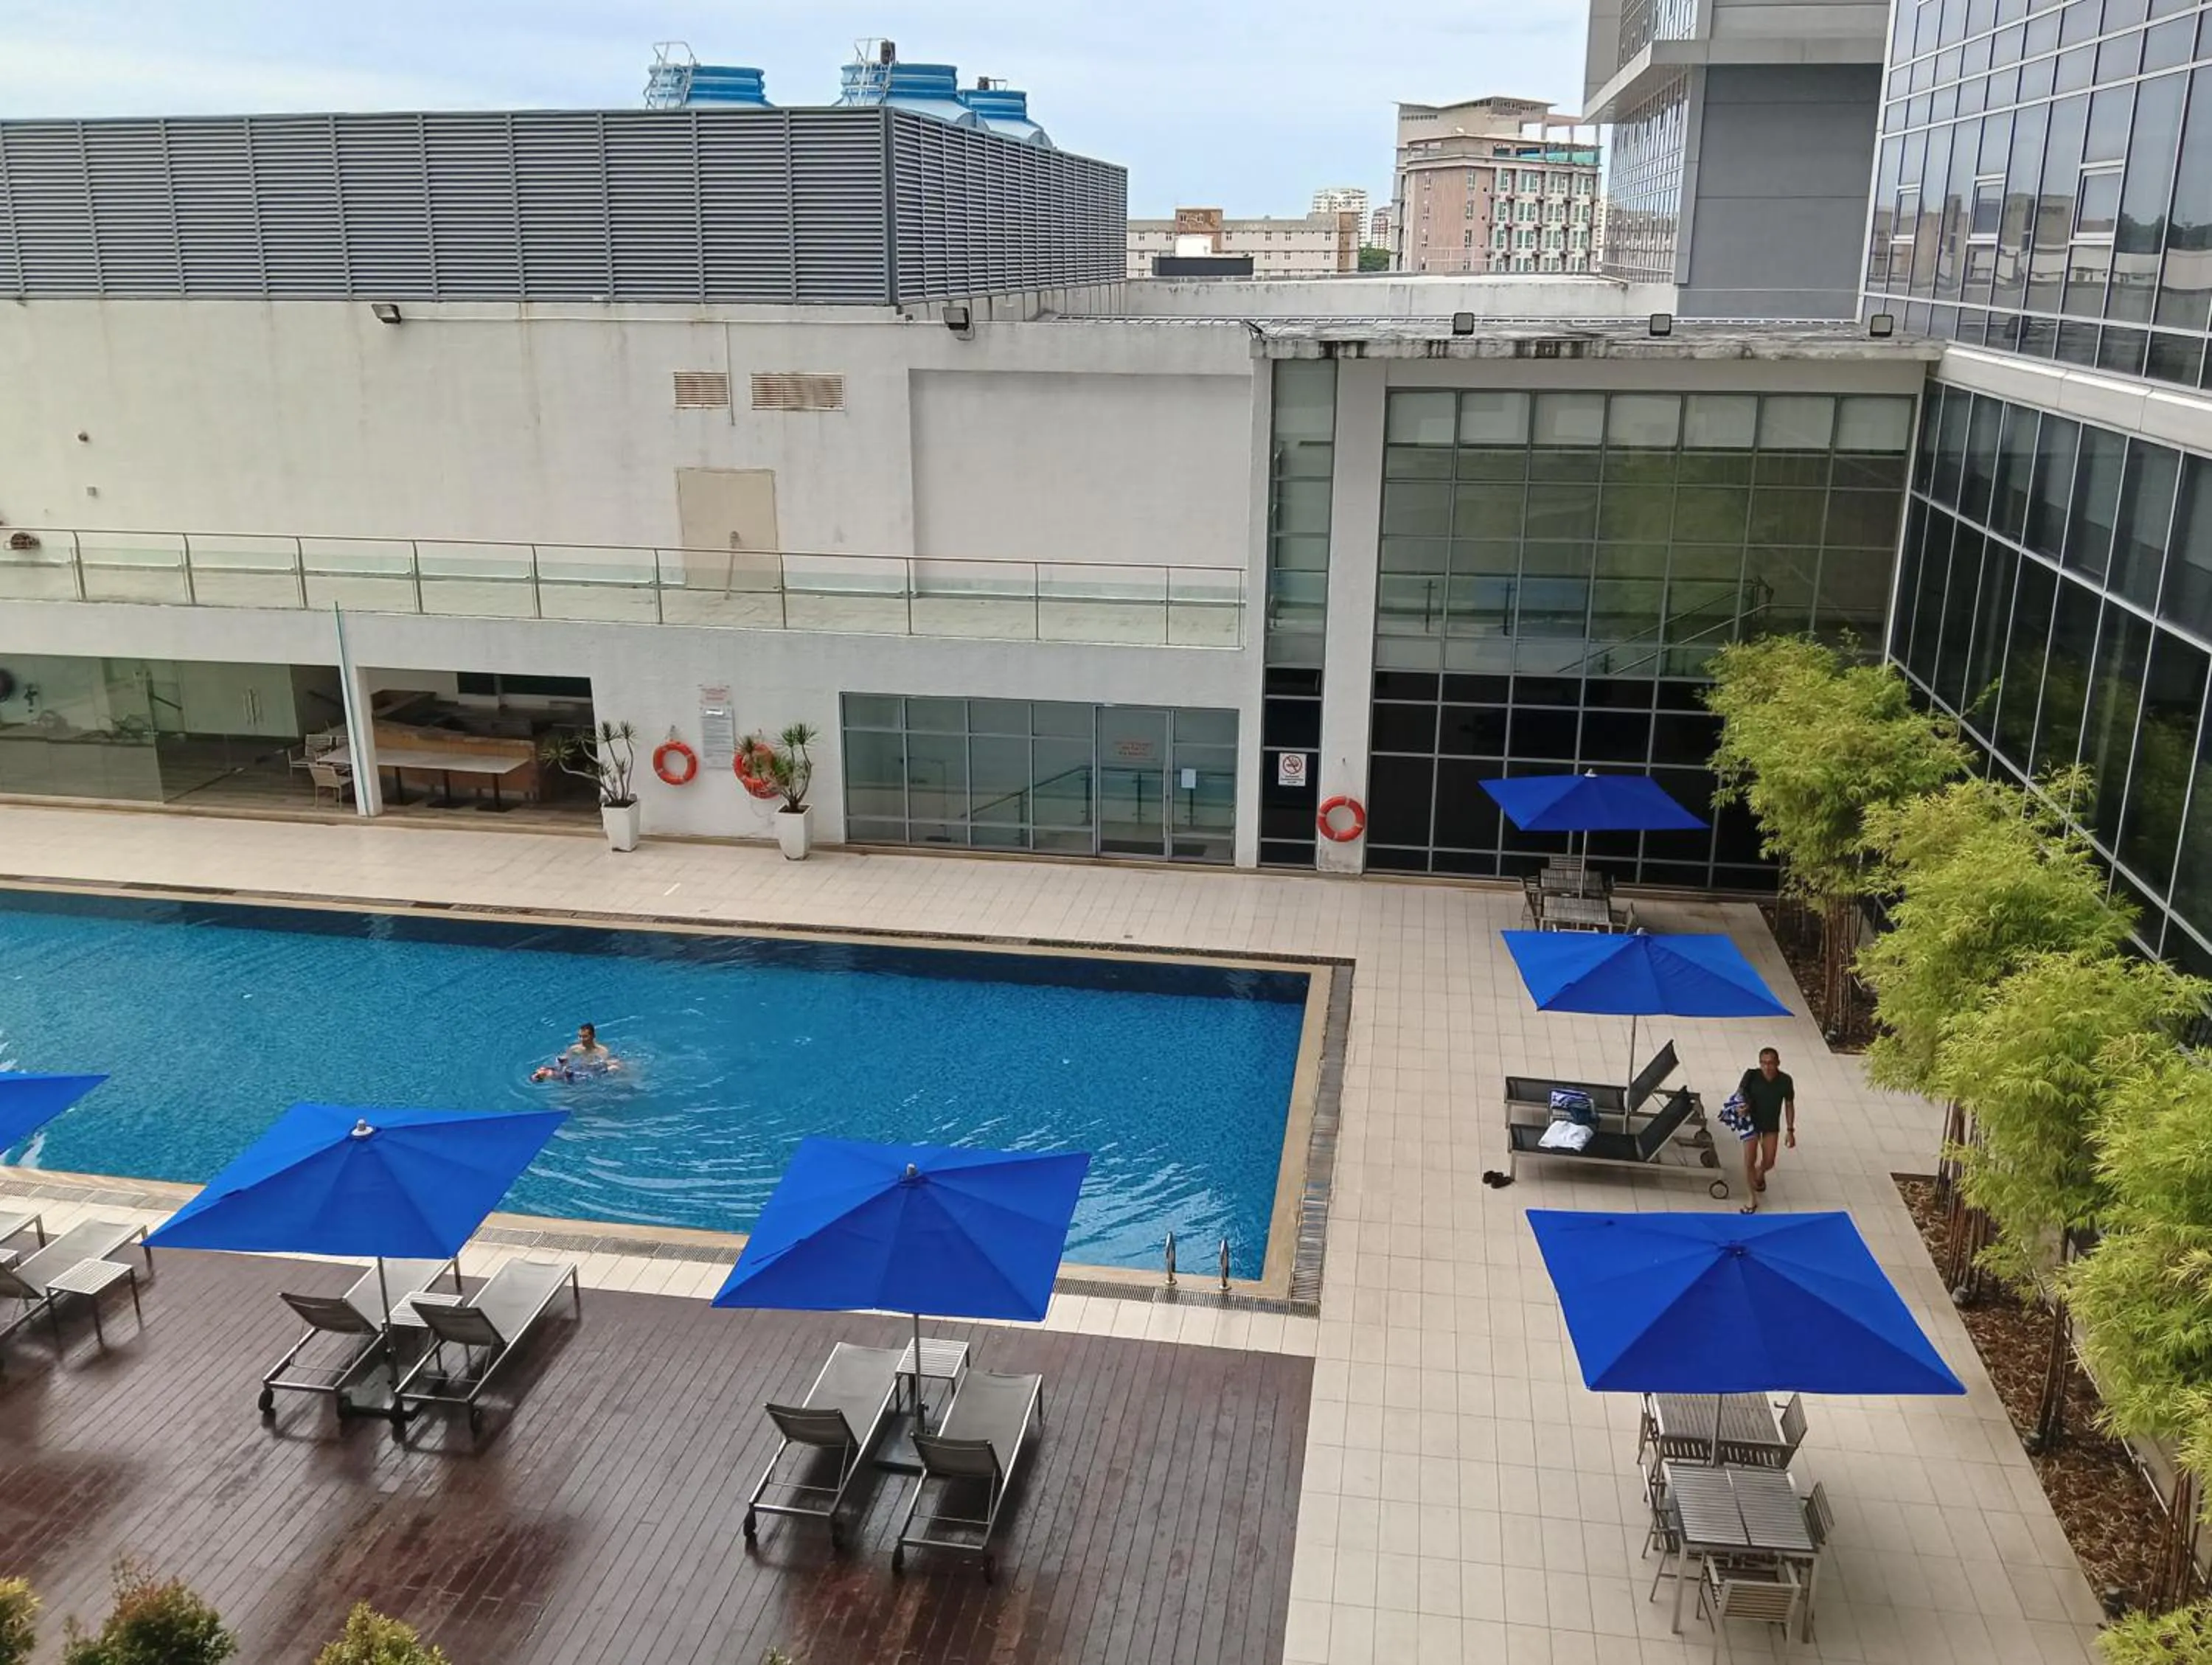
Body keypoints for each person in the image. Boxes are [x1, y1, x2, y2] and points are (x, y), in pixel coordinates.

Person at [1735, 1046, 1795, 1212]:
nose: (1767, 1067)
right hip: (1751, 1123)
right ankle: (1751, 1197)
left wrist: (1790, 1130)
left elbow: (1789, 1105)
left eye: (1771, 1063)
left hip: (1770, 1125)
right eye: (1764, 1063)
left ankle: (1759, 1173)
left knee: (1769, 1161)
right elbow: (1740, 1094)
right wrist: (1742, 1107)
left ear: (1778, 1063)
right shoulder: (1752, 1076)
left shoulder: (1785, 1081)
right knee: (1749, 1161)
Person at [532, 1023, 619, 1083]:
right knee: (543, 1070)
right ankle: (540, 1078)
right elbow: (564, 1062)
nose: (581, 1039)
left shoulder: (602, 1051)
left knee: (615, 1067)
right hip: (574, 1072)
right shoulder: (574, 1049)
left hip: (590, 1074)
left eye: (585, 1037)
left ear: (593, 1036)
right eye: (580, 1036)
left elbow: (602, 1066)